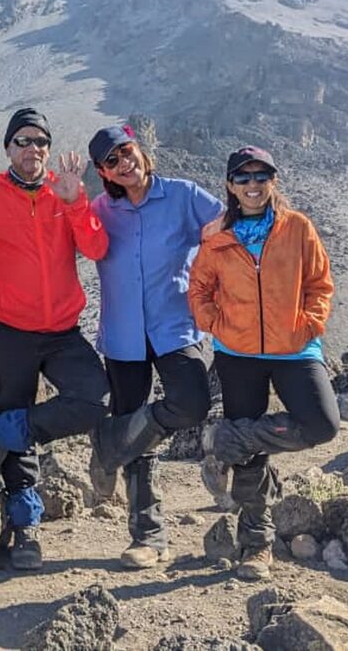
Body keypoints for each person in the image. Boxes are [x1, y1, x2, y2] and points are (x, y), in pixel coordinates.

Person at [0, 107, 110, 570]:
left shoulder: (64, 194)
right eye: (23, 141)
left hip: (62, 329)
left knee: (93, 398)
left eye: (40, 142)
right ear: (8, 148)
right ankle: (24, 527)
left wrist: (74, 202)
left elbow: (95, 249)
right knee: (14, 406)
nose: (33, 150)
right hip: (9, 329)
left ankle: (2, 431)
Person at [188, 146, 339, 582]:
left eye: (261, 177)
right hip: (238, 354)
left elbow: (320, 282)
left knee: (322, 424)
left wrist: (309, 323)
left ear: (273, 181)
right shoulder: (217, 235)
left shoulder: (297, 227)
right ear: (231, 186)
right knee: (252, 457)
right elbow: (199, 287)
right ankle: (256, 544)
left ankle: (229, 437)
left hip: (295, 350)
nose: (253, 186)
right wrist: (215, 323)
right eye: (243, 178)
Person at [85, 124, 224, 570]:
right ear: (103, 172)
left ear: (140, 150)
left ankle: (113, 438)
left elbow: (229, 229)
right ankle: (148, 535)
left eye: (126, 151)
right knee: (138, 439)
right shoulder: (100, 211)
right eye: (111, 161)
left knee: (193, 403)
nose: (123, 163)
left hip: (176, 327)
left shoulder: (183, 195)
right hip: (123, 336)